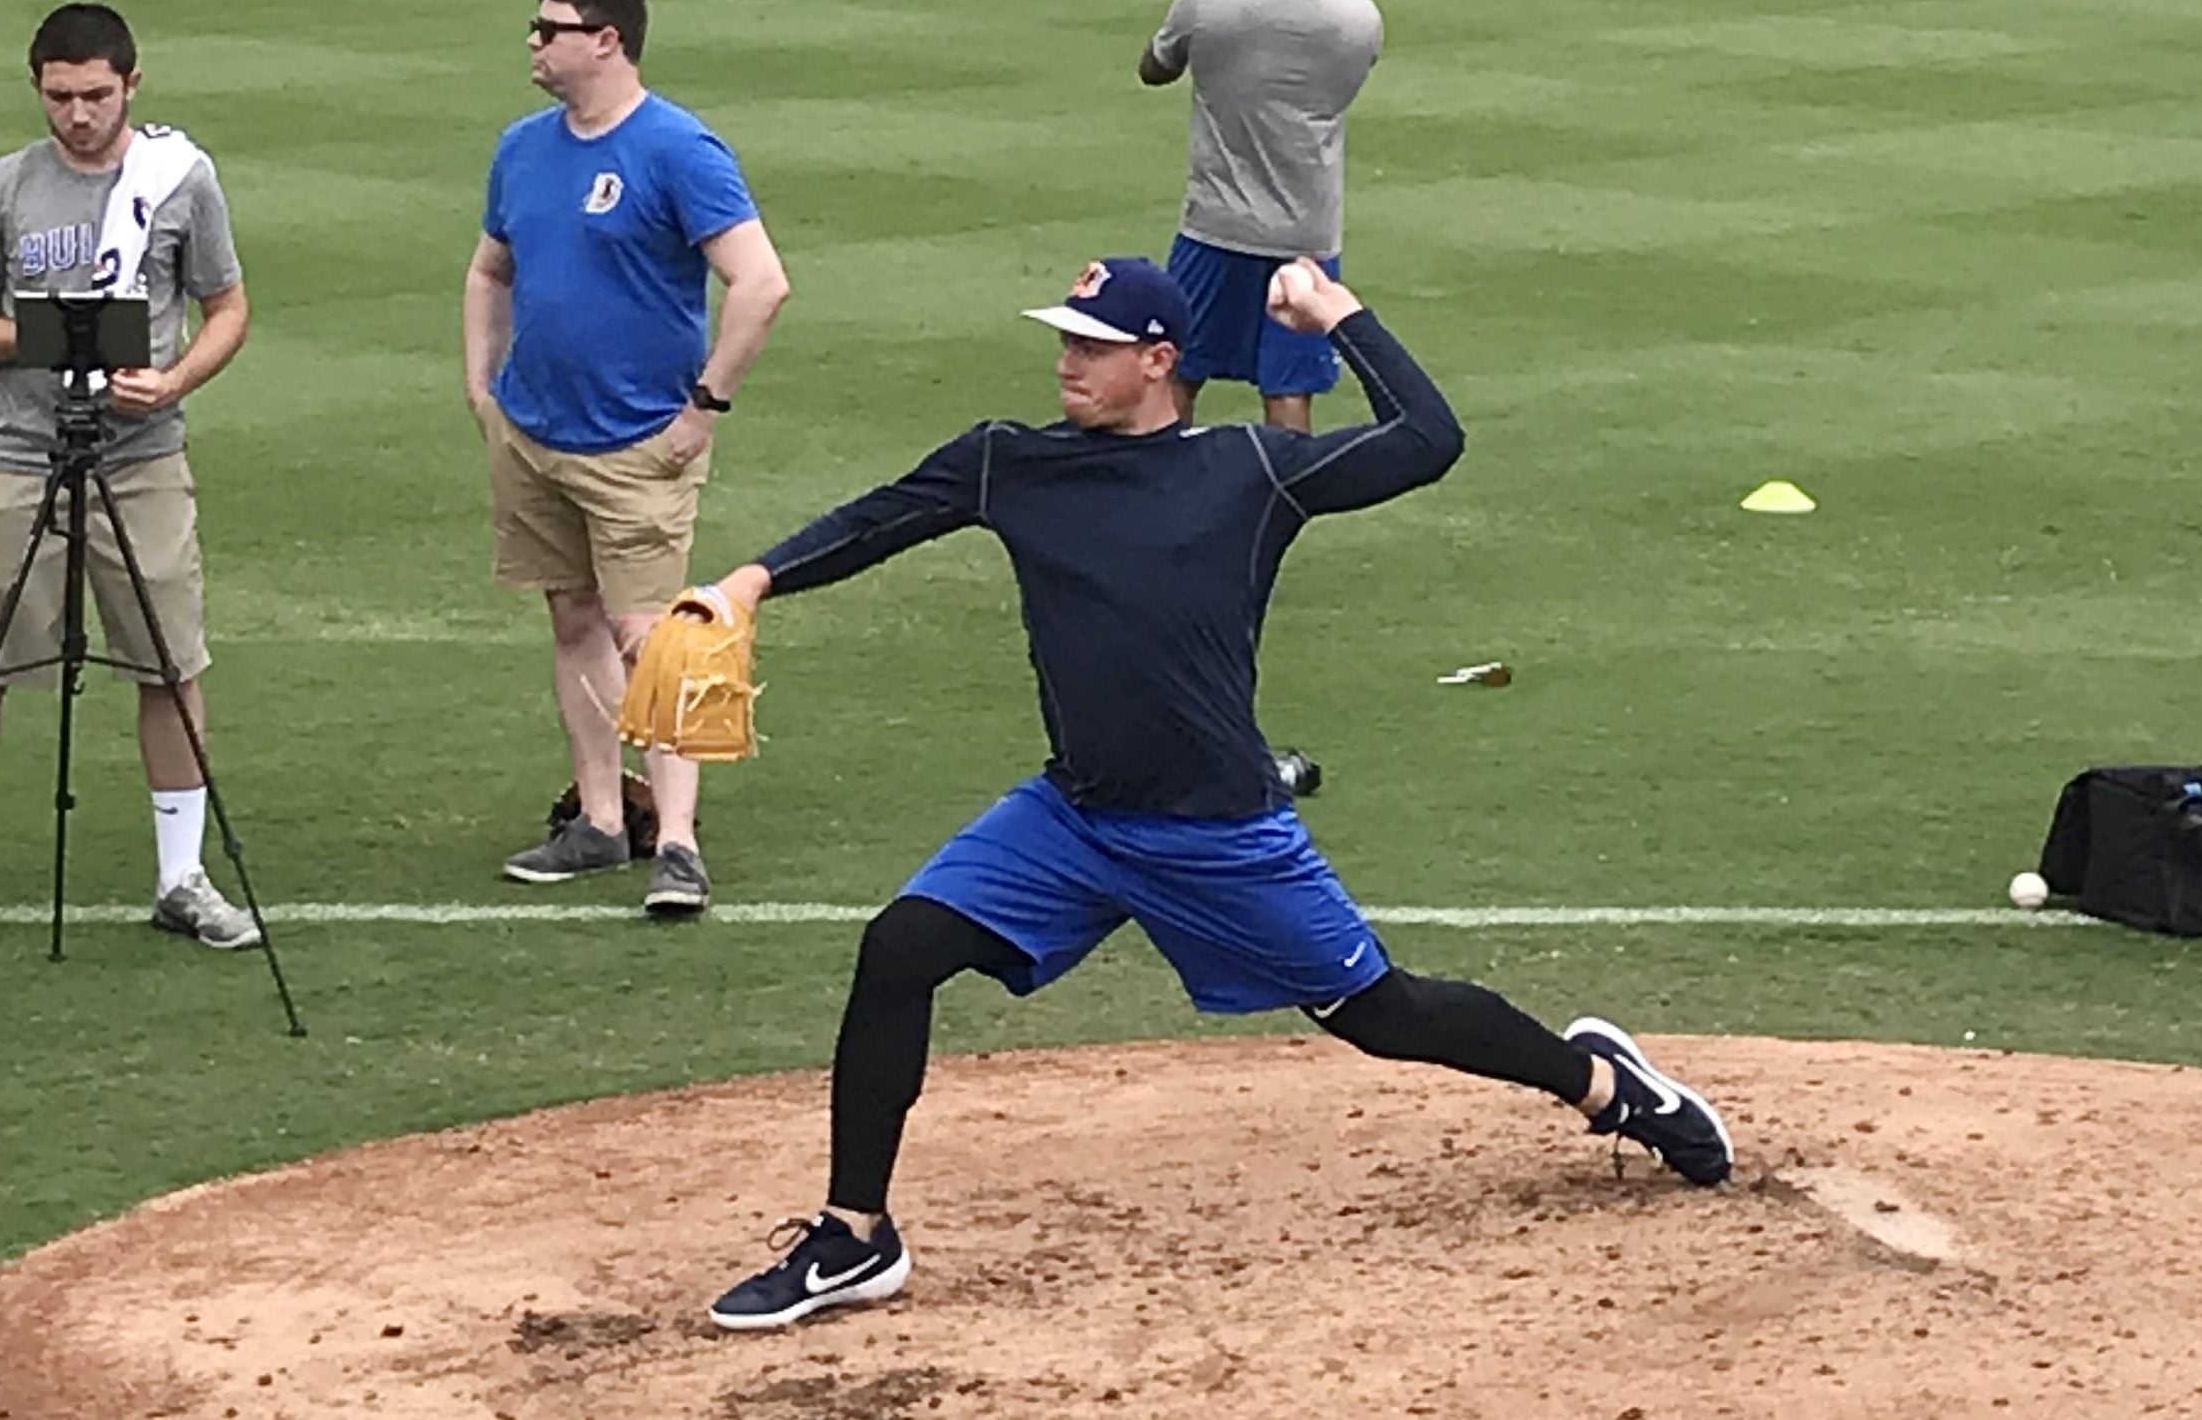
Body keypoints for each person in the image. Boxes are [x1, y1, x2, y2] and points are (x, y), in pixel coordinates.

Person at [691, 256, 1734, 1331]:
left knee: (1380, 1013)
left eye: (1092, 346)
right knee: (899, 946)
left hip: (1217, 832)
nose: (1067, 363)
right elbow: (879, 520)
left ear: (1158, 359)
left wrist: (1338, 317)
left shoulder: (1250, 471)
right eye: (1064, 341)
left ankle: (1607, 1088)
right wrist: (744, 585)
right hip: (1073, 818)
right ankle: (854, 1235)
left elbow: (1429, 439)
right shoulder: (1008, 462)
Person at [464, 0, 791, 918]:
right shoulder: (522, 148)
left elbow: (760, 283)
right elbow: (490, 270)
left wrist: (704, 408)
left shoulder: (676, 149)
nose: (534, 42)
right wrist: (481, 383)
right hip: (534, 431)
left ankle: (678, 843)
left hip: (637, 439)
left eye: (550, 28)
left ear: (606, 40)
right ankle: (604, 820)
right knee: (571, 615)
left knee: (652, 639)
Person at [0, 2, 256, 956]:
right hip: (21, 450)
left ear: (131, 84)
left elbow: (227, 305)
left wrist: (170, 378)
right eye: (59, 96)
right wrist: (63, 334)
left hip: (144, 452)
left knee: (169, 657)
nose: (77, 115)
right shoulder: (4, 189)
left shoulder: (178, 182)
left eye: (95, 95)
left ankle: (183, 875)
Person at [1140, 0, 1382, 435]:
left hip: (1216, 226)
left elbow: (1155, 68)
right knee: (1289, 386)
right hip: (1308, 235)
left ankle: (1165, 494)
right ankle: (1284, 509)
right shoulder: (1360, 20)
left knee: (1178, 371)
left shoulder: (1208, 1)